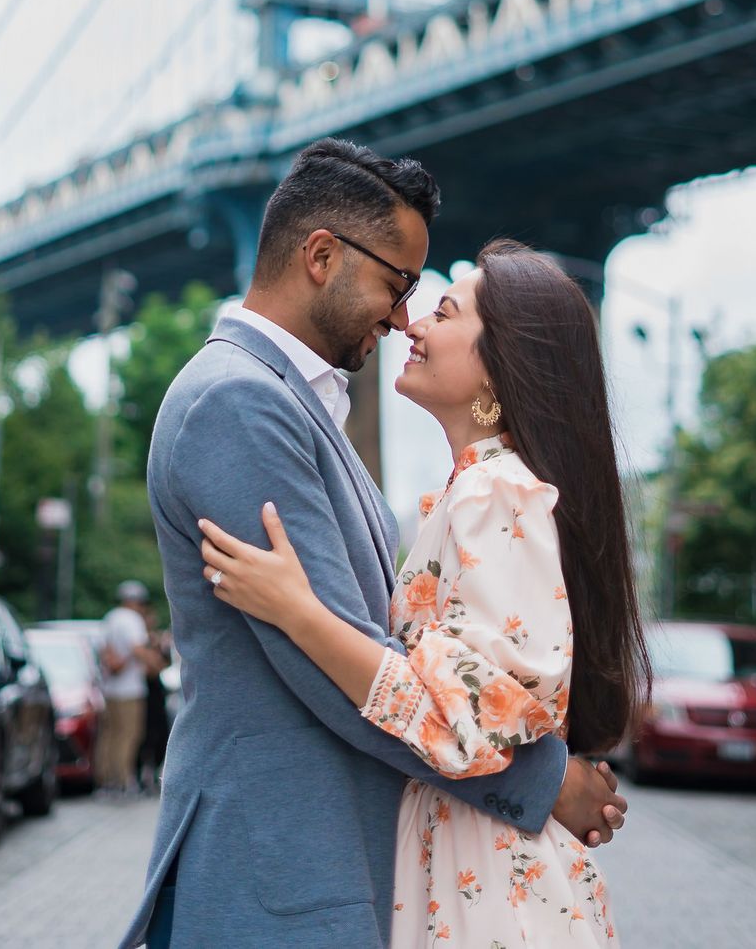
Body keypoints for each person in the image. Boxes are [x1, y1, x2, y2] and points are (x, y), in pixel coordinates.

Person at [117, 139, 627, 949]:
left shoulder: (323, 413)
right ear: (322, 256)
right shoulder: (239, 405)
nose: (402, 317)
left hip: (332, 875)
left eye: (428, 299)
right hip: (278, 879)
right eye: (399, 284)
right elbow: (331, 670)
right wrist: (546, 780)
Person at [200, 242, 651, 945]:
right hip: (474, 868)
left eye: (443, 311)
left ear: (501, 368)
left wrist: (298, 611)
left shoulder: (494, 493)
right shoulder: (473, 492)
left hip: (491, 889)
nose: (412, 324)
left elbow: (460, 720)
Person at [98, 579, 153, 796]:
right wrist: (155, 662)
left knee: (109, 735)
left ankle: (105, 780)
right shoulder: (132, 619)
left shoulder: (110, 618)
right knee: (129, 734)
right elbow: (137, 649)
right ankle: (123, 780)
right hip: (130, 690)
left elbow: (104, 650)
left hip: (110, 688)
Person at [136, 605, 172, 794]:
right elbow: (151, 667)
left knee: (160, 732)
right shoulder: (138, 641)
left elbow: (162, 664)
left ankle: (153, 773)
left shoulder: (156, 640)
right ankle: (142, 774)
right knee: (144, 734)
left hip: (156, 691)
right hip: (143, 691)